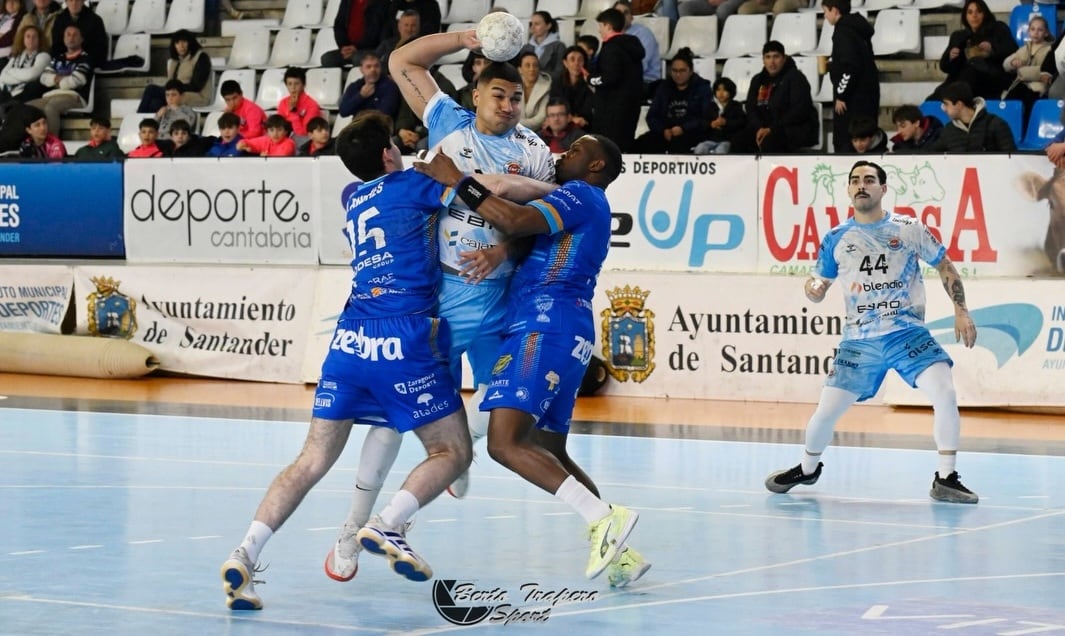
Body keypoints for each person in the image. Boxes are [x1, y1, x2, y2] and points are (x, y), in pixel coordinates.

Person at [221, 110, 473, 610]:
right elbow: (478, 197)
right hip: (403, 336)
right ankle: (388, 524)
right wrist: (453, 172)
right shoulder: (414, 185)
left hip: (350, 338)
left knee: (310, 460)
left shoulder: (355, 198)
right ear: (387, 153)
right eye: (394, 143)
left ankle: (245, 552)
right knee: (452, 451)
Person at [412, 134, 649, 584]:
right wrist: (502, 248)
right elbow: (521, 229)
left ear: (596, 166)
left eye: (575, 151)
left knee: (504, 443)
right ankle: (618, 551)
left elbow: (514, 220)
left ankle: (604, 519)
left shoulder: (581, 194)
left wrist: (457, 180)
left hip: (544, 324)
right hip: (568, 329)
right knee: (549, 450)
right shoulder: (581, 202)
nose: (562, 155)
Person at [764, 160, 979, 505]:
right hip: (859, 341)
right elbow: (818, 281)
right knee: (826, 412)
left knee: (944, 391)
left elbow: (945, 265)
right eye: (855, 180)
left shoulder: (908, 228)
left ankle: (946, 478)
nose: (861, 185)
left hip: (907, 333)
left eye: (868, 179)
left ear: (883, 188)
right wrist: (814, 289)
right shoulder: (836, 238)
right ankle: (807, 469)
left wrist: (961, 310)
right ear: (849, 190)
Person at [730, 40, 818, 153]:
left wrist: (772, 128)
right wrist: (759, 127)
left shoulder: (796, 78)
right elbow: (751, 108)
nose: (772, 62)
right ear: (763, 60)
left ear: (784, 58)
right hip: (763, 128)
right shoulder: (757, 80)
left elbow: (799, 110)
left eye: (776, 57)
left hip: (792, 129)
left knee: (769, 141)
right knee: (738, 140)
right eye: (768, 57)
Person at [822, 0, 879, 155]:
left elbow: (850, 67)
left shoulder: (843, 32)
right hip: (867, 93)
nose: (825, 16)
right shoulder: (857, 29)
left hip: (853, 99)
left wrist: (841, 94)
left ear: (834, 10)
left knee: (848, 142)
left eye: (825, 11)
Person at [932, 0, 1016, 101]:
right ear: (965, 16)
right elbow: (945, 66)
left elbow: (1012, 51)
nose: (974, 16)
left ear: (985, 13)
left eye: (978, 11)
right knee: (935, 97)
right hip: (960, 81)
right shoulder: (959, 36)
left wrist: (992, 49)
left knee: (967, 77)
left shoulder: (998, 28)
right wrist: (950, 57)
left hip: (990, 78)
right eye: (970, 12)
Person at [633, 47, 711, 154]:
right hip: (665, 132)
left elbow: (705, 119)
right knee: (639, 145)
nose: (678, 75)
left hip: (692, 133)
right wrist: (663, 130)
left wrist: (683, 128)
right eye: (674, 71)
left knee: (679, 146)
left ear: (691, 71)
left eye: (682, 71)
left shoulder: (702, 88)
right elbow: (652, 116)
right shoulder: (664, 87)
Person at [589, 8, 644, 152]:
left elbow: (609, 77)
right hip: (630, 108)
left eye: (601, 26)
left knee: (608, 151)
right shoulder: (632, 46)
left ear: (608, 26)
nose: (599, 30)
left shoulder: (611, 48)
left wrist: (591, 79)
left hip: (611, 112)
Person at [24, 24, 92, 137]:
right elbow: (43, 78)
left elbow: (76, 81)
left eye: (75, 35)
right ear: (64, 38)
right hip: (50, 96)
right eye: (68, 35)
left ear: (81, 39)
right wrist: (60, 79)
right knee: (25, 108)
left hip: (74, 97)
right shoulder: (57, 58)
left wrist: (55, 80)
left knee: (51, 107)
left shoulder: (86, 58)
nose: (71, 37)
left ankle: (52, 144)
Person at [926, 80, 1016, 152]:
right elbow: (930, 155)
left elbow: (1012, 158)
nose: (944, 109)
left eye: (946, 104)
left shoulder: (996, 125)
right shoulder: (949, 130)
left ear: (959, 104)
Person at [136, 30, 213, 113]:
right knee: (155, 104)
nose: (181, 46)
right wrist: (172, 90)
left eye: (184, 42)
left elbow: (196, 86)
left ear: (190, 42)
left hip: (197, 96)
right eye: (177, 43)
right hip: (176, 93)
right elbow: (169, 83)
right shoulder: (175, 60)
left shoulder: (201, 57)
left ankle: (138, 116)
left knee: (151, 89)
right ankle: (148, 120)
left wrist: (175, 89)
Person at [1002, 15, 1052, 124]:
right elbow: (1005, 64)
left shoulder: (1049, 50)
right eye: (1033, 29)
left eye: (1040, 30)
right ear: (1029, 31)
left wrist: (1022, 71)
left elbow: (1044, 70)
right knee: (1011, 97)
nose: (1036, 33)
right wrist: (1012, 63)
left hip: (1037, 89)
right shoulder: (1024, 49)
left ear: (1046, 33)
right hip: (1020, 86)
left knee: (1027, 99)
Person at [321, 0, 391, 67]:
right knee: (327, 59)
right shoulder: (347, 1)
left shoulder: (382, 2)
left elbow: (378, 31)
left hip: (372, 49)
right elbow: (339, 25)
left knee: (357, 58)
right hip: (349, 48)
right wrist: (345, 46)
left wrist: (357, 48)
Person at [613, 1, 660, 98]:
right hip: (622, 81)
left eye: (625, 13)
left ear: (631, 17)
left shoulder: (643, 33)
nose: (621, 16)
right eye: (618, 13)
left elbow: (640, 66)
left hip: (645, 81)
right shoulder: (612, 34)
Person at [691, 76, 745, 155]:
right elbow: (702, 122)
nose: (721, 93)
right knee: (700, 148)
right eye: (718, 90)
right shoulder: (711, 106)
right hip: (710, 140)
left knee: (721, 150)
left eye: (724, 90)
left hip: (728, 140)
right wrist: (711, 124)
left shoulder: (736, 106)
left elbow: (741, 122)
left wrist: (726, 122)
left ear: (731, 91)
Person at [338, 52, 399, 119]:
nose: (373, 70)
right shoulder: (354, 86)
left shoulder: (389, 86)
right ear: (362, 70)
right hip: (358, 124)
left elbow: (386, 113)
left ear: (381, 68)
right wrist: (361, 96)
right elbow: (343, 112)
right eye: (368, 67)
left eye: (376, 66)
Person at [0, 24, 50, 104]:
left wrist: (11, 71)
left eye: (34, 37)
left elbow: (31, 75)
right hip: (9, 92)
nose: (31, 39)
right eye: (28, 36)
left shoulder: (44, 56)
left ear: (39, 39)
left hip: (26, 93)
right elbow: (2, 76)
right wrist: (21, 77)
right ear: (23, 39)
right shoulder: (16, 56)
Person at [49, 0, 105, 67]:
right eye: (71, 0)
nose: (74, 3)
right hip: (63, 63)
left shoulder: (95, 20)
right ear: (66, 2)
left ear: (82, 2)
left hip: (87, 63)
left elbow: (100, 49)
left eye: (77, 0)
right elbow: (56, 46)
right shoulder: (59, 19)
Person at [550, 46, 594, 130]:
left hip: (584, 125)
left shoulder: (589, 83)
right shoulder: (557, 82)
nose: (576, 63)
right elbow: (554, 104)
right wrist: (571, 118)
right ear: (565, 63)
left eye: (580, 60)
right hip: (561, 123)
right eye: (572, 59)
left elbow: (588, 111)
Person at [276, 66, 322, 139]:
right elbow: (278, 129)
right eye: (289, 84)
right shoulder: (283, 103)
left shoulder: (312, 105)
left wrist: (293, 112)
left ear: (304, 85)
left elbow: (303, 135)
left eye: (297, 83)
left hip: (304, 141)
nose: (293, 87)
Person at [375, 8, 421, 73]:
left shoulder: (423, 45)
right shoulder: (387, 44)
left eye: (413, 25)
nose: (409, 29)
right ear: (399, 26)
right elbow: (373, 60)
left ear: (418, 27)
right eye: (406, 25)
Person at [523, 10, 567, 77]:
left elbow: (560, 72)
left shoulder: (559, 47)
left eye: (537, 24)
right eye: (531, 24)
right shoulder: (526, 47)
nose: (532, 27)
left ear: (548, 26)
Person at [517, 50, 552, 131]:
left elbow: (541, 118)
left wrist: (515, 124)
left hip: (538, 131)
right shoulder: (512, 85)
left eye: (535, 65)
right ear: (520, 69)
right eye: (527, 65)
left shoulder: (546, 86)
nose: (532, 69)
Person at [0, 0, 26, 65]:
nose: (11, 3)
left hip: (5, 57)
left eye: (15, 1)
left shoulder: (21, 18)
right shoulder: (2, 15)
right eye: (8, 1)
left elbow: (10, 38)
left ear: (20, 4)